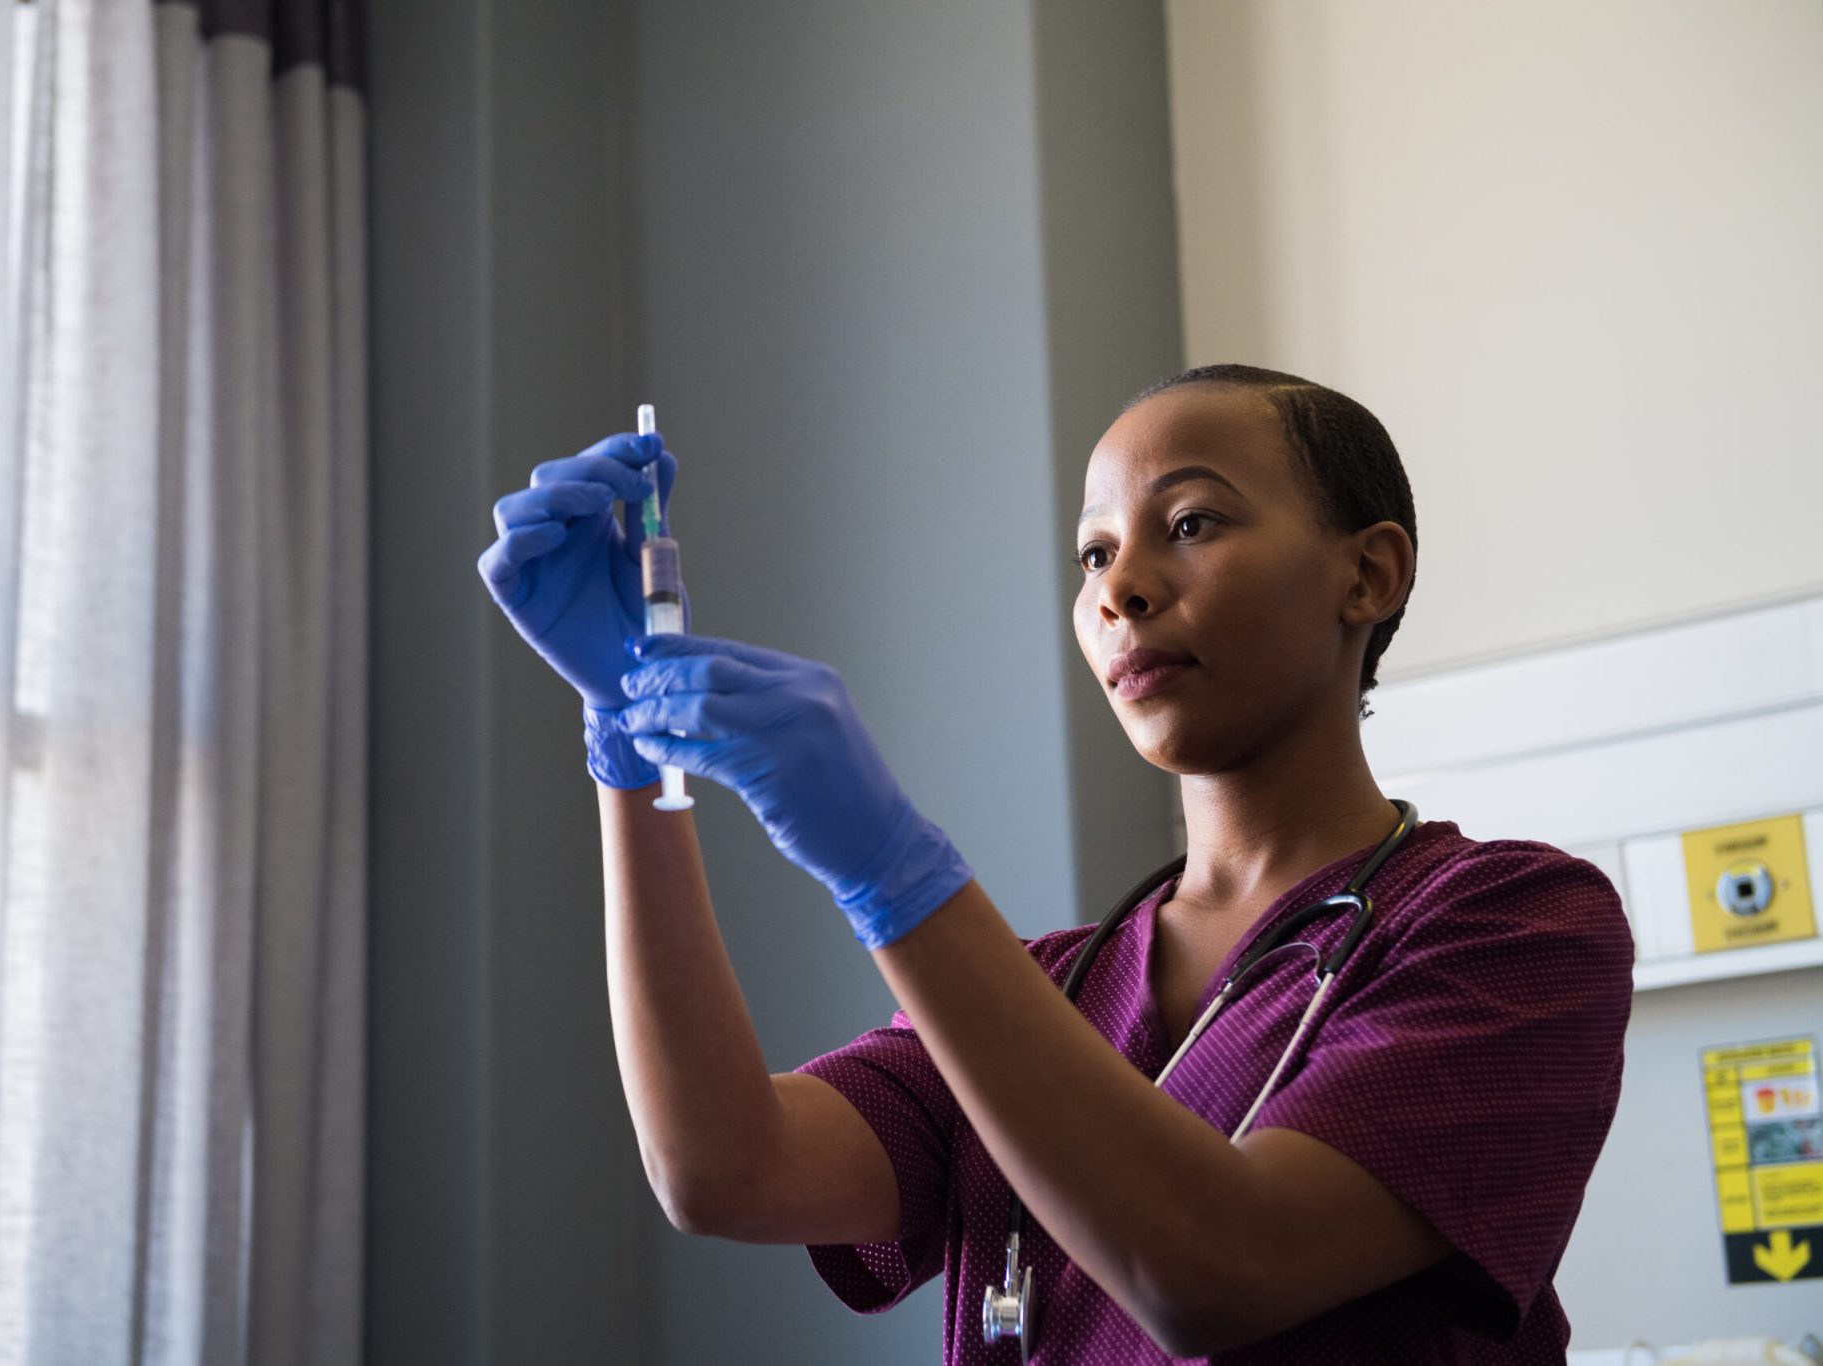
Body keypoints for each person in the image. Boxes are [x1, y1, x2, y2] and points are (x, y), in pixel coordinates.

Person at [478, 363, 1636, 1363]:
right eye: (1093, 552)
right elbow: (725, 1165)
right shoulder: (1048, 991)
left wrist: (890, 870)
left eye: (1190, 523)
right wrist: (628, 742)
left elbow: (1216, 1268)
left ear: (1367, 575)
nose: (1118, 588)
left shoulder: (1511, 926)